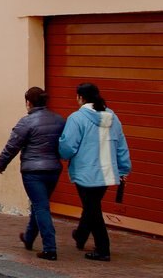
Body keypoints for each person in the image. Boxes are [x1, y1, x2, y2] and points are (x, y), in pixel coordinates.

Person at [59, 83, 131, 262]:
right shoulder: (113, 118)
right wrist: (123, 168)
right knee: (91, 206)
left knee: (93, 209)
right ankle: (81, 235)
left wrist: (62, 154)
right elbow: (121, 146)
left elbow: (68, 146)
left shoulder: (76, 118)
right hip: (107, 174)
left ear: (80, 97)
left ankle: (103, 248)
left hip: (85, 173)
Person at [0, 87, 66, 260]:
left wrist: (1, 164)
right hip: (53, 170)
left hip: (33, 172)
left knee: (41, 206)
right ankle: (28, 238)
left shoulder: (26, 122)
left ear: (29, 102)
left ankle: (50, 248)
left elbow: (12, 146)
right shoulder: (59, 120)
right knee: (39, 203)